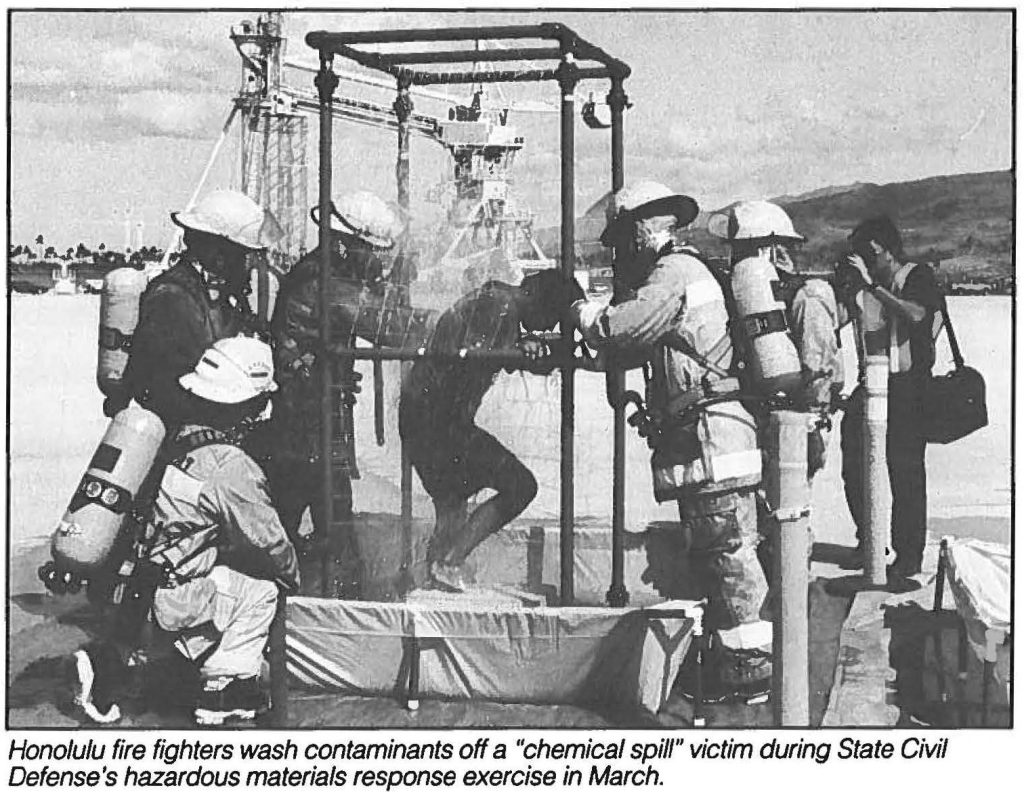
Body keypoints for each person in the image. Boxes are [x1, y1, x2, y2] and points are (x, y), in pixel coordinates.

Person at [569, 180, 770, 702]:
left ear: (641, 230)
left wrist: (580, 309)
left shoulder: (672, 273)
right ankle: (737, 667)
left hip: (713, 445)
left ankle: (749, 673)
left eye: (621, 239)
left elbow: (619, 330)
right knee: (721, 552)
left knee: (728, 555)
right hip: (714, 440)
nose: (619, 251)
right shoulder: (688, 270)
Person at [76, 336, 300, 726]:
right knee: (262, 591)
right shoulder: (229, 467)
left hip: (129, 594)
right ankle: (225, 690)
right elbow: (269, 544)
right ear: (248, 404)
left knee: (208, 577)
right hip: (166, 602)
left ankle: (107, 665)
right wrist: (293, 578)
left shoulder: (168, 438)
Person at [399, 269, 584, 592]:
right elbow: (478, 356)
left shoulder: (498, 302)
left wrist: (524, 347)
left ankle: (436, 573)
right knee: (520, 485)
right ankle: (448, 562)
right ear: (539, 299)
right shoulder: (499, 305)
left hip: (429, 418)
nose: (550, 327)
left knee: (452, 504)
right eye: (553, 317)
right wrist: (520, 348)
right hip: (439, 422)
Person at [268, 192, 402, 592]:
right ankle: (320, 605)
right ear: (346, 242)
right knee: (319, 515)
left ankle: (318, 592)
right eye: (369, 251)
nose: (374, 261)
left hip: (318, 414)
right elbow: (388, 327)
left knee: (320, 513)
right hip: (307, 420)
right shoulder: (324, 282)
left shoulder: (324, 275)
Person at [107, 190, 283, 425]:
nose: (250, 264)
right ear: (219, 252)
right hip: (182, 435)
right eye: (244, 255)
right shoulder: (173, 299)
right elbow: (170, 387)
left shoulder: (214, 295)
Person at [838, 216, 942, 579]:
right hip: (872, 384)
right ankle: (869, 539)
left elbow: (918, 314)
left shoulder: (917, 276)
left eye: (868, 255)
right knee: (853, 462)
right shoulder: (862, 287)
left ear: (881, 251)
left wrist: (873, 287)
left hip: (909, 387)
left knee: (906, 473)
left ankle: (908, 555)